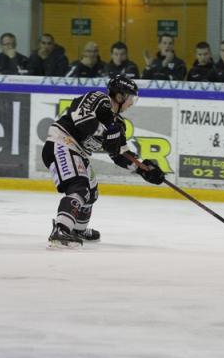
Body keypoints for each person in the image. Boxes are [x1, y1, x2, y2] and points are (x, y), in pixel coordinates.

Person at [42, 75, 165, 248]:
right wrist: (107, 132)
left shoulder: (118, 123)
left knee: (91, 192)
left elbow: (120, 154)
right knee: (79, 186)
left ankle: (78, 229)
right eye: (131, 98)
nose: (131, 103)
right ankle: (61, 230)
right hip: (61, 142)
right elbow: (81, 120)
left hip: (78, 152)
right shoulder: (98, 99)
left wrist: (143, 168)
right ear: (120, 96)